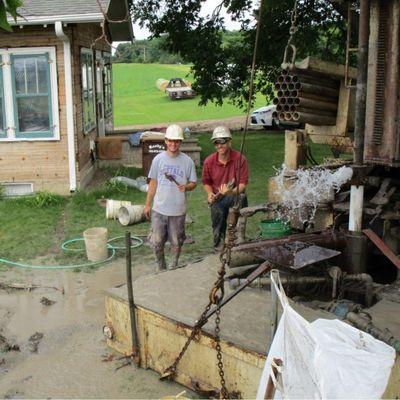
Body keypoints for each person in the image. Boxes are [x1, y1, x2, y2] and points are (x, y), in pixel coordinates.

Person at [144, 124, 197, 271]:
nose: (173, 144)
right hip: (159, 209)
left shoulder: (188, 162)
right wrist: (148, 204)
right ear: (166, 141)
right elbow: (153, 183)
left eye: (177, 141)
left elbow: (194, 183)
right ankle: (161, 267)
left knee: (176, 241)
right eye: (171, 141)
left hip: (178, 211)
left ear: (180, 142)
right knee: (157, 240)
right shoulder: (158, 160)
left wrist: (186, 187)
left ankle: (173, 266)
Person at [202, 126, 249, 251]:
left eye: (222, 141)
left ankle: (239, 239)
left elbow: (242, 185)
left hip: (235, 194)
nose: (219, 145)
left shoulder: (240, 159)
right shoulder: (209, 161)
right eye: (216, 142)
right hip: (218, 197)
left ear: (229, 141)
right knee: (218, 213)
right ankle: (218, 246)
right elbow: (206, 181)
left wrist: (231, 192)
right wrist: (210, 193)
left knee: (241, 197)